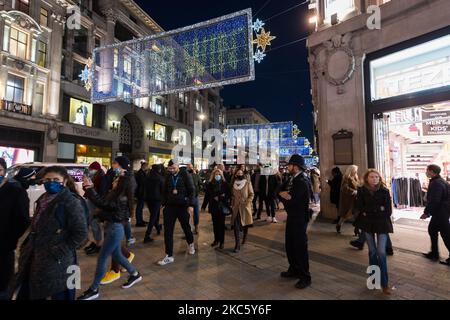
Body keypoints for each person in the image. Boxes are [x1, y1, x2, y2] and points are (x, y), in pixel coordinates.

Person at [16, 166, 88, 300]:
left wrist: (59, 251)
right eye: (48, 180)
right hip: (37, 256)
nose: (52, 182)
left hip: (60, 261)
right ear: (43, 181)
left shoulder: (71, 201)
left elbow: (81, 233)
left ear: (65, 181)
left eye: (56, 179)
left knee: (60, 291)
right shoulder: (43, 198)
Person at [78, 176, 142, 300]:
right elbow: (105, 206)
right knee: (117, 255)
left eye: (116, 181)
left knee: (102, 258)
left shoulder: (120, 197)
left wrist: (90, 189)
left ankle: (94, 289)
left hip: (114, 230)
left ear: (121, 184)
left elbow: (103, 205)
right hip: (112, 228)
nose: (113, 182)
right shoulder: (116, 195)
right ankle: (134, 274)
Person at [354, 169, 394, 295]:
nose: (374, 179)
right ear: (366, 178)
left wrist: (370, 210)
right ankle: (373, 279)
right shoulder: (361, 190)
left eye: (376, 177)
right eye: (372, 177)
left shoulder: (384, 191)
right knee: (372, 253)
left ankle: (385, 284)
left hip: (382, 224)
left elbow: (388, 210)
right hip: (367, 224)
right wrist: (377, 209)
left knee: (381, 253)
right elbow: (360, 207)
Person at [278, 154, 312, 290]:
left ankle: (305, 276)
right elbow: (278, 190)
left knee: (300, 247)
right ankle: (294, 269)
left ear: (296, 167)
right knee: (290, 245)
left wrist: (285, 196)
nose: (288, 167)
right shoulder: (292, 179)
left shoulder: (302, 181)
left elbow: (292, 200)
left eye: (290, 165)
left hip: (299, 218)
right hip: (292, 217)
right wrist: (284, 194)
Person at [0, 159, 30, 300]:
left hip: (4, 248)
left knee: (3, 286)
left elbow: (23, 221)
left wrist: (9, 240)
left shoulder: (15, 191)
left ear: (4, 171)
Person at [158, 160, 196, 266]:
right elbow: (164, 191)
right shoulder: (168, 175)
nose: (171, 170)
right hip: (170, 207)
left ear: (178, 167)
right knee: (168, 231)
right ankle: (169, 255)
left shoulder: (185, 175)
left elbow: (192, 190)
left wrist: (191, 204)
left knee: (186, 227)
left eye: (173, 168)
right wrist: (163, 204)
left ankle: (191, 243)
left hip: (182, 206)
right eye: (170, 168)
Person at [421, 164, 450, 266]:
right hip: (442, 212)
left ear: (432, 171)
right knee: (432, 230)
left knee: (446, 235)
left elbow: (434, 201)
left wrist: (426, 213)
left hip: (441, 213)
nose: (426, 172)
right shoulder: (440, 181)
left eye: (427, 170)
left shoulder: (436, 183)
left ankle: (434, 253)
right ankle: (434, 253)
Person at [202, 169, 230, 249]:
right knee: (215, 225)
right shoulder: (210, 184)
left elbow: (229, 195)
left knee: (221, 225)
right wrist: (203, 206)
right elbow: (207, 196)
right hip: (214, 207)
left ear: (221, 175)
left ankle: (222, 242)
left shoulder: (225, 184)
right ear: (213, 175)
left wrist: (221, 197)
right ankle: (216, 240)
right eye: (216, 174)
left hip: (222, 207)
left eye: (219, 174)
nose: (217, 176)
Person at [84, 161, 108, 255]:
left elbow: (101, 193)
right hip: (91, 202)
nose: (90, 170)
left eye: (92, 169)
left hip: (95, 204)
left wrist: (99, 207)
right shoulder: (95, 177)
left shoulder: (101, 178)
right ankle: (96, 243)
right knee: (92, 223)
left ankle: (99, 244)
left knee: (95, 224)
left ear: (96, 169)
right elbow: (89, 191)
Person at [230, 169, 254, 253]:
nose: (240, 174)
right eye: (238, 173)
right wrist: (232, 204)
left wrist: (247, 202)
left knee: (245, 224)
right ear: (236, 175)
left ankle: (245, 236)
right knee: (236, 226)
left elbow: (251, 194)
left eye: (241, 173)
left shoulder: (247, 183)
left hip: (245, 207)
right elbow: (233, 196)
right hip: (236, 208)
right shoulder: (234, 184)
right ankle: (237, 245)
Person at [143, 164, 164, 243]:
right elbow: (163, 191)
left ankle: (158, 228)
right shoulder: (160, 178)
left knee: (154, 215)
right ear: (158, 170)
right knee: (153, 216)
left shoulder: (147, 177)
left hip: (149, 199)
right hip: (157, 200)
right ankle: (147, 235)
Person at [336, 165, 359, 234]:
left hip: (355, 199)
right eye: (354, 170)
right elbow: (344, 188)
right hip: (348, 199)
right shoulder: (346, 178)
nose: (356, 172)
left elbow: (358, 185)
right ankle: (339, 225)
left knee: (356, 214)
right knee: (344, 215)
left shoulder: (355, 177)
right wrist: (353, 191)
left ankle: (357, 229)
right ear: (351, 170)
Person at [187, 163, 201, 235]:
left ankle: (196, 227)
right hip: (188, 198)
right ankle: (188, 229)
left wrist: (197, 192)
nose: (190, 168)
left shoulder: (196, 175)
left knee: (196, 213)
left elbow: (200, 184)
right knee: (188, 214)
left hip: (195, 197)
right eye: (189, 167)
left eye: (191, 167)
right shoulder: (185, 176)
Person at [134, 162, 148, 227]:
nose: (147, 167)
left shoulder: (142, 172)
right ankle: (138, 222)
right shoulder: (140, 173)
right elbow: (142, 182)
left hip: (142, 192)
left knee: (141, 207)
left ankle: (141, 220)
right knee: (139, 207)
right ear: (144, 166)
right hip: (140, 193)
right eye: (146, 166)